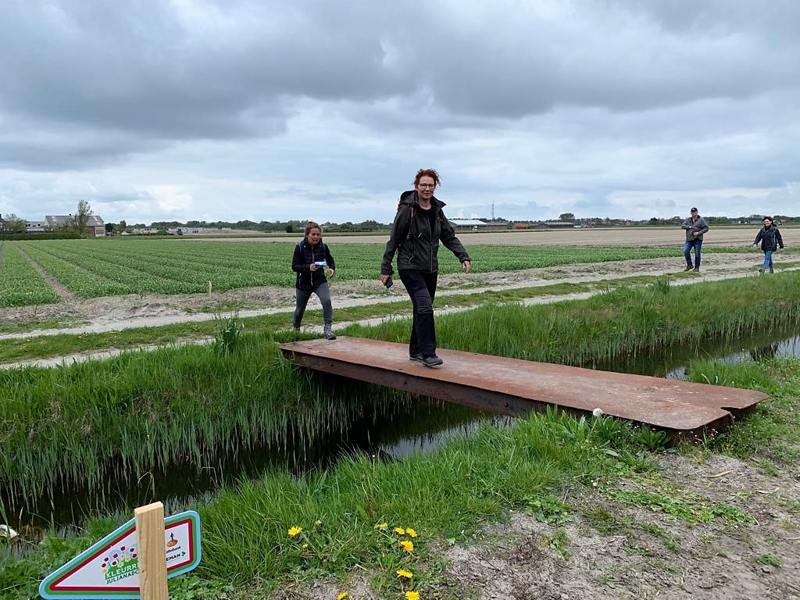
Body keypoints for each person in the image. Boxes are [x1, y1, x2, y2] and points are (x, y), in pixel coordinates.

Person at [380, 169, 471, 368]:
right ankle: (428, 353)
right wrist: (385, 267)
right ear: (416, 186)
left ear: (434, 187)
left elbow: (448, 236)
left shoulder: (437, 210)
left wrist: (462, 255)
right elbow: (394, 239)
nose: (427, 188)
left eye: (430, 185)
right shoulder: (407, 210)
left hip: (430, 269)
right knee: (424, 307)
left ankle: (415, 350)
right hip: (409, 266)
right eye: (423, 185)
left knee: (421, 308)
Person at [292, 221, 337, 339]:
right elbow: (294, 266)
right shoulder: (300, 247)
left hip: (319, 281)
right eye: (313, 234)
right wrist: (308, 267)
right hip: (303, 283)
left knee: (327, 301)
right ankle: (296, 329)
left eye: (318, 234)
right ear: (307, 234)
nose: (316, 237)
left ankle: (328, 329)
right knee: (300, 309)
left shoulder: (323, 247)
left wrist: (332, 268)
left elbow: (330, 260)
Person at [681, 207, 709, 272]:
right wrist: (689, 227)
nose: (693, 213)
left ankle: (696, 268)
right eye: (692, 212)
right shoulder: (688, 220)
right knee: (686, 251)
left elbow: (706, 228)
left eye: (695, 212)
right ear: (691, 213)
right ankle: (689, 265)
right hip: (689, 239)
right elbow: (682, 226)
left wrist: (699, 233)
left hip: (698, 239)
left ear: (697, 212)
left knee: (697, 253)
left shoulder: (701, 220)